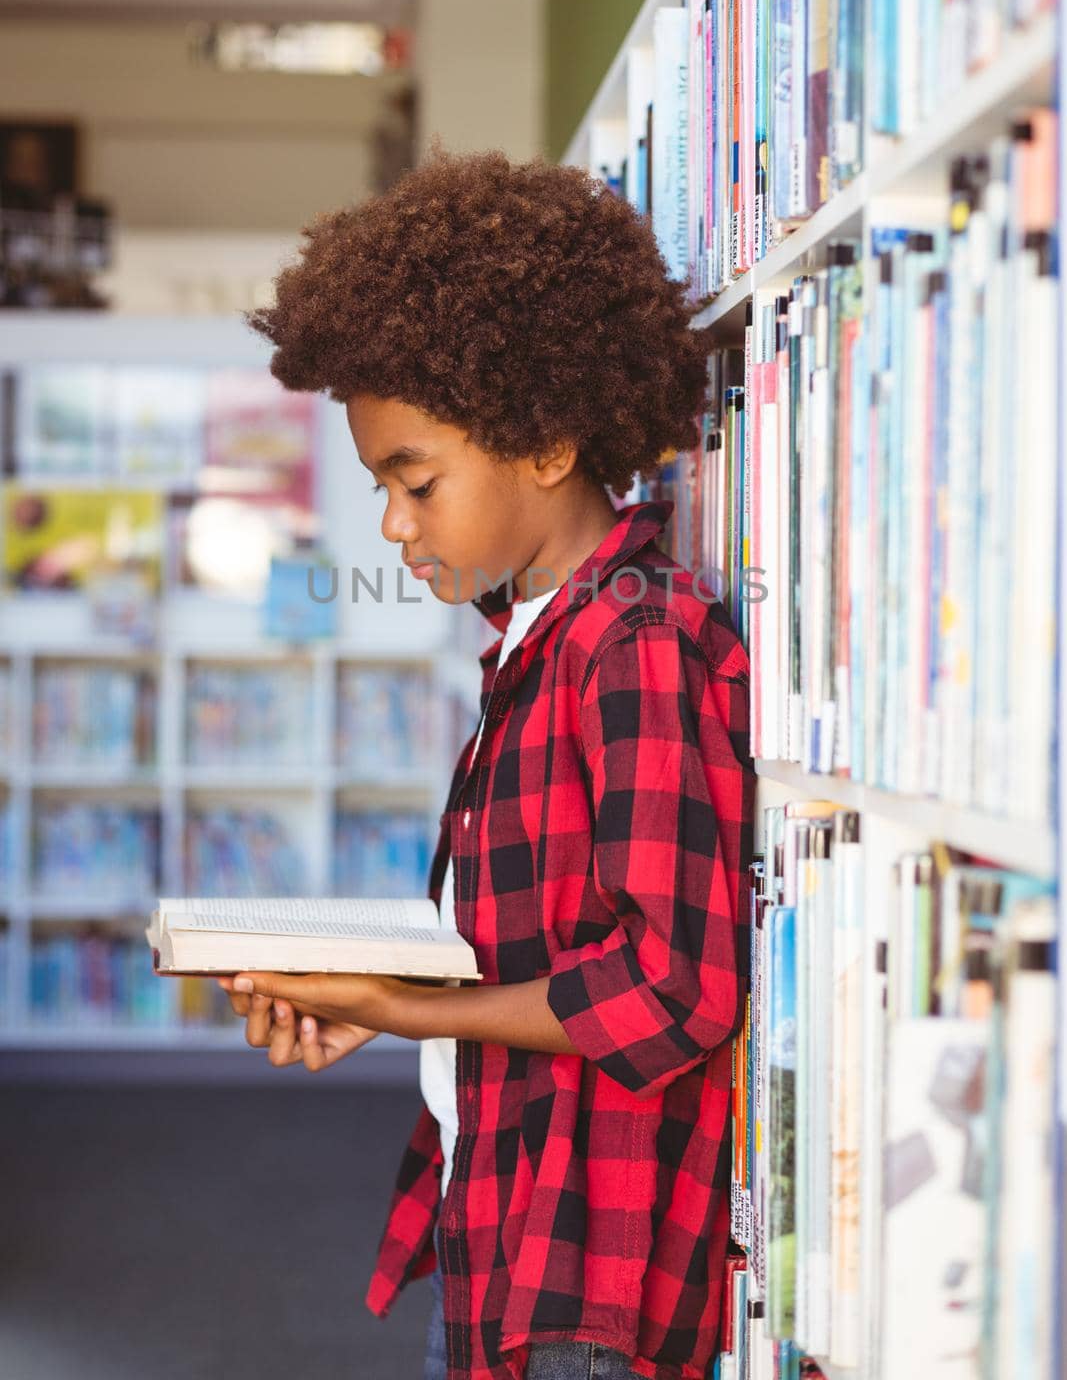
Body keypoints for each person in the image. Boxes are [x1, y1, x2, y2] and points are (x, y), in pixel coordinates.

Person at [221, 143, 755, 1380]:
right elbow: (533, 934)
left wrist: (405, 1010)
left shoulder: (633, 642)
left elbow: (674, 988)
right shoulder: (534, 637)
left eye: (416, 480)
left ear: (547, 440)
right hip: (505, 1222)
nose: (392, 524)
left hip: (584, 1280)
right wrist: (360, 997)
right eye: (381, 487)